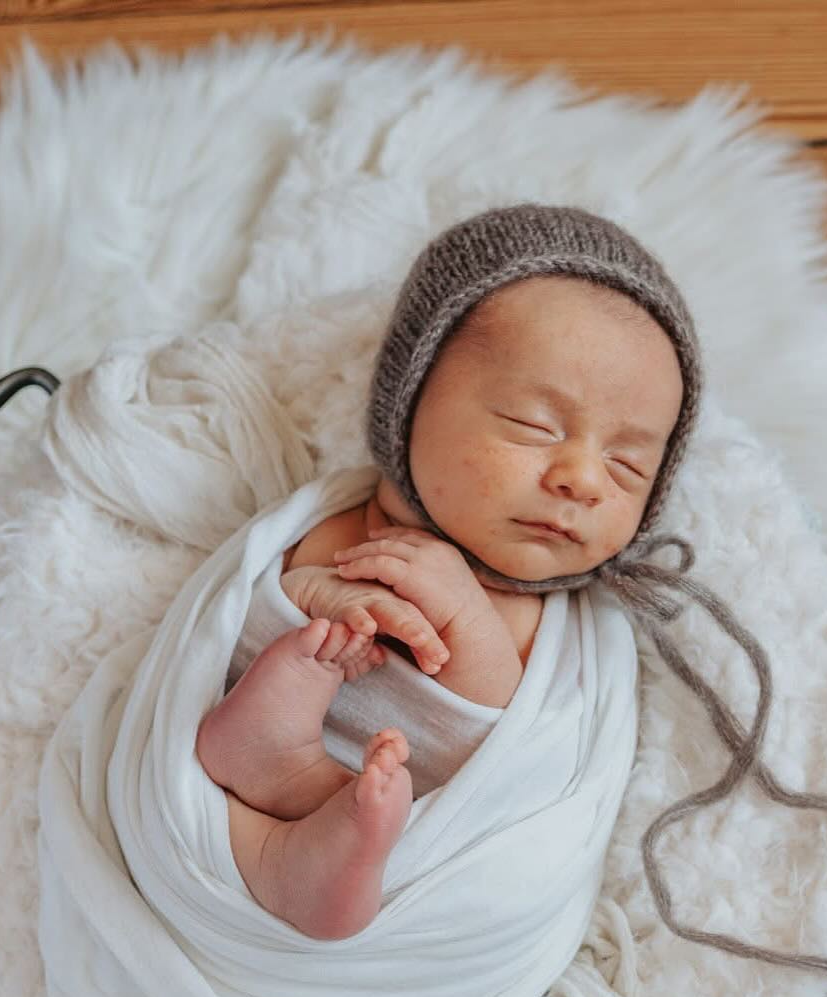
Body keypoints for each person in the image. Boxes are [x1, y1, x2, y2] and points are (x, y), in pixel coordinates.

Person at [196, 263, 684, 940]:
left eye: (627, 467)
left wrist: (467, 621)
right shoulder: (347, 526)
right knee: (283, 665)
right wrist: (311, 599)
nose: (581, 479)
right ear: (412, 399)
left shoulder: (569, 630)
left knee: (387, 826)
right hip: (224, 801)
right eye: (534, 426)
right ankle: (271, 776)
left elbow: (518, 761)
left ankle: (297, 848)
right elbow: (223, 625)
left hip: (420, 860)